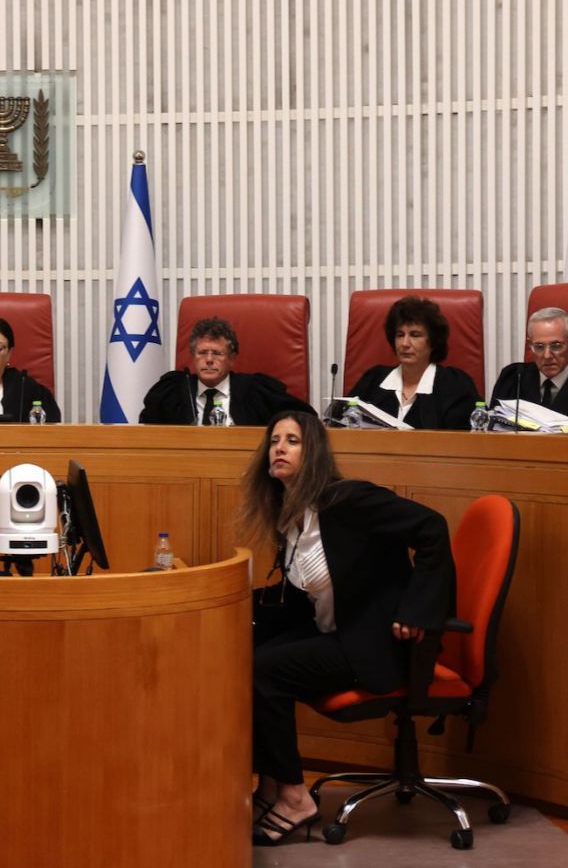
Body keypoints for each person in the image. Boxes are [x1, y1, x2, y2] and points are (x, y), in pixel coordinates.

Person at [240, 410, 454, 846]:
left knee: (264, 671)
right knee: (241, 655)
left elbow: (432, 528)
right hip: (335, 634)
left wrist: (416, 611)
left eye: (292, 441)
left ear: (313, 451)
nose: (278, 447)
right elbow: (305, 596)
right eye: (274, 440)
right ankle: (269, 785)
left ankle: (296, 797)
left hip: (375, 645)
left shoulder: (348, 500)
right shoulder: (293, 515)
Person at [139, 317, 314, 425]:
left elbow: (306, 419)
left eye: (217, 353)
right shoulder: (172, 392)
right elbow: (145, 435)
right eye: (202, 352)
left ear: (231, 358)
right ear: (193, 356)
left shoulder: (256, 391)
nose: (208, 359)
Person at [346, 296, 482, 430]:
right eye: (400, 335)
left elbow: (468, 442)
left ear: (433, 342)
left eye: (415, 335)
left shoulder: (456, 385)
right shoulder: (374, 380)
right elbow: (340, 424)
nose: (405, 344)